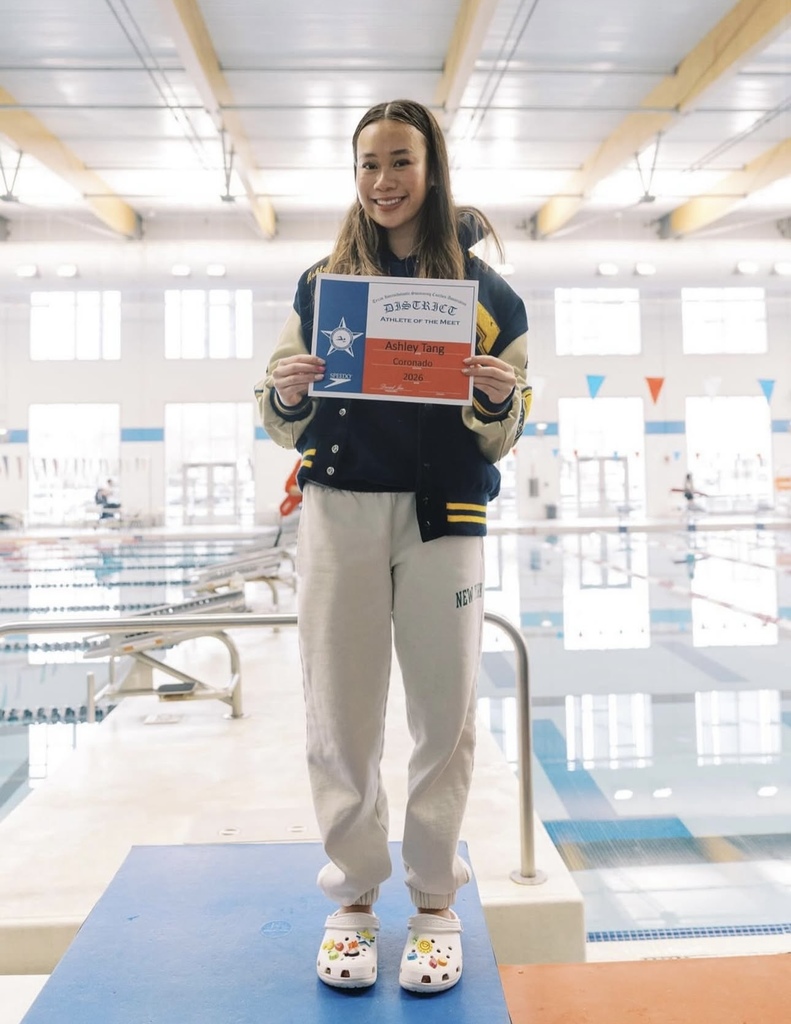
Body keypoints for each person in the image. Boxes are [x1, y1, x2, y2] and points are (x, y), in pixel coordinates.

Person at [254, 99, 530, 995]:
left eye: (400, 161)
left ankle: (435, 902)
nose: (383, 181)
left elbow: (506, 431)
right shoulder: (318, 285)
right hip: (339, 508)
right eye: (368, 163)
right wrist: (288, 391)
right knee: (339, 708)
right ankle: (355, 897)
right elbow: (277, 416)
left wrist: (495, 398)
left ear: (432, 167)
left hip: (444, 514)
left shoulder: (491, 298)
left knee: (442, 716)